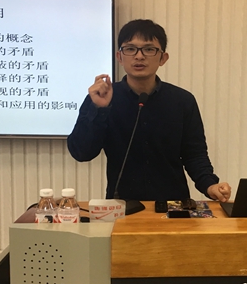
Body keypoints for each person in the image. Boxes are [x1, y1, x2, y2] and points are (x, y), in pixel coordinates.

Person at [67, 19, 231, 202]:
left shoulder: (182, 100)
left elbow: (194, 154)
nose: (139, 56)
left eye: (149, 49)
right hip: (121, 205)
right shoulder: (101, 98)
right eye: (130, 49)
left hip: (173, 205)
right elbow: (81, 152)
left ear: (163, 58)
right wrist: (98, 109)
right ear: (119, 57)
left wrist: (210, 185)